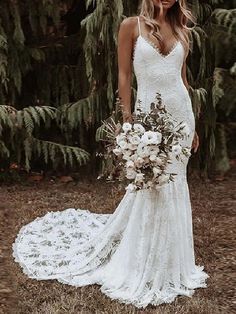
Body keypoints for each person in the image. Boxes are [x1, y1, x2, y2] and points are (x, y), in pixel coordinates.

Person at [12, 0, 208, 309]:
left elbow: (182, 80)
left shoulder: (183, 30)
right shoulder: (131, 26)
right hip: (147, 119)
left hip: (180, 117)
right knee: (151, 186)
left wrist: (192, 124)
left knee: (173, 185)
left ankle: (172, 263)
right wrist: (129, 121)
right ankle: (143, 260)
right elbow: (124, 76)